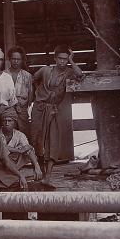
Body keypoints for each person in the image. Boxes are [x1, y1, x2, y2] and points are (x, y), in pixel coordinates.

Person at [31, 45, 85, 184]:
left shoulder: (68, 72)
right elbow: (32, 79)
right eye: (60, 58)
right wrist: (37, 94)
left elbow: (80, 75)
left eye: (65, 59)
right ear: (55, 58)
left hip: (53, 110)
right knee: (37, 140)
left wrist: (72, 61)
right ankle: (40, 171)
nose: (62, 61)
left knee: (52, 141)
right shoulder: (45, 69)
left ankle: (48, 176)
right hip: (39, 108)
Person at [0, 105, 42, 180]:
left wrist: (37, 167)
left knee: (28, 150)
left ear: (14, 122)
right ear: (1, 122)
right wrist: (18, 150)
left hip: (15, 164)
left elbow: (28, 149)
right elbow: (1, 147)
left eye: (10, 121)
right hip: (0, 163)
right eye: (5, 121)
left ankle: (17, 174)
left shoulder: (20, 135)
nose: (7, 123)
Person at [6, 46, 34, 139]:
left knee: (24, 134)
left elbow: (30, 94)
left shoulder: (27, 75)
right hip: (7, 108)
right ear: (9, 59)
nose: (16, 61)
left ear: (22, 60)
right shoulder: (4, 74)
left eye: (18, 59)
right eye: (13, 59)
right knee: (8, 133)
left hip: (22, 109)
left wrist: (27, 109)